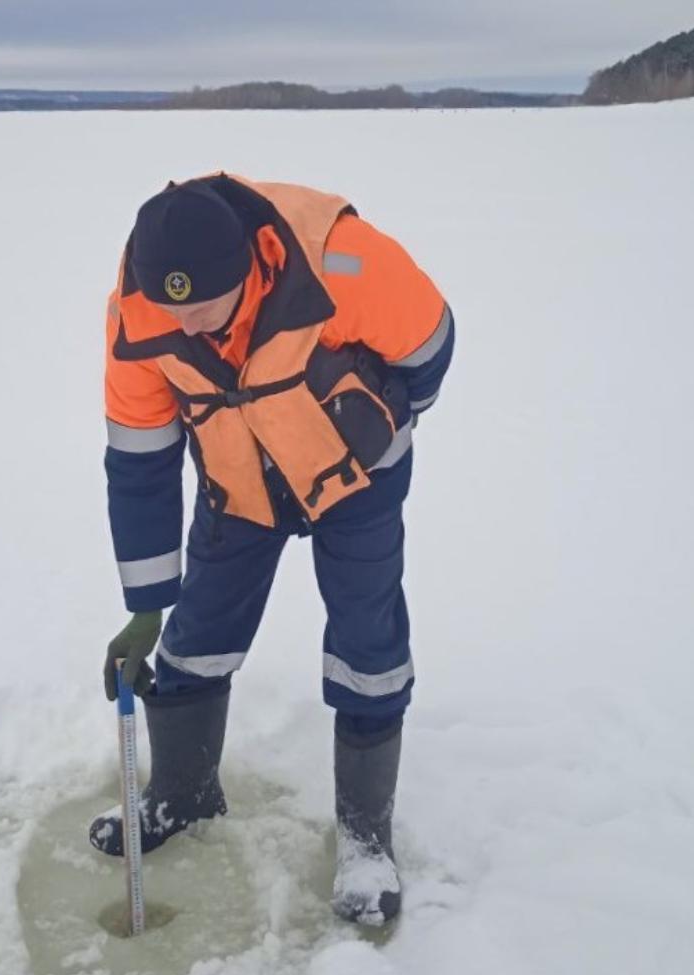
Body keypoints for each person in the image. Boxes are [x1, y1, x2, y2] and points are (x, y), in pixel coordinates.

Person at [91, 173, 454, 925]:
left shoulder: (341, 259)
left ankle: (365, 842)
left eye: (205, 310)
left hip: (354, 479)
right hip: (240, 485)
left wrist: (369, 418)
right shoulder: (135, 312)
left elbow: (430, 342)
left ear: (251, 269)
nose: (186, 327)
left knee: (367, 641)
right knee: (197, 635)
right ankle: (182, 795)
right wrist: (146, 608)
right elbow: (140, 458)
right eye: (172, 310)